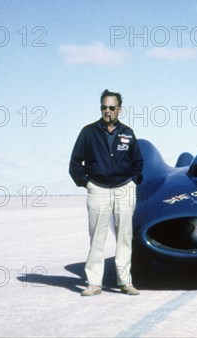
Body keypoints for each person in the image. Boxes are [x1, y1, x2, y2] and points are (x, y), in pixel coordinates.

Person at [69, 89, 144, 296]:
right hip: (98, 189)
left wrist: (133, 182)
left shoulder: (127, 133)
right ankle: (94, 283)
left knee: (124, 237)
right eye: (104, 107)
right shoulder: (88, 132)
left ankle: (124, 281)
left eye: (112, 107)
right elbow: (75, 163)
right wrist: (87, 183)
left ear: (119, 109)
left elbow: (138, 161)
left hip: (124, 189)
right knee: (97, 239)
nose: (107, 111)